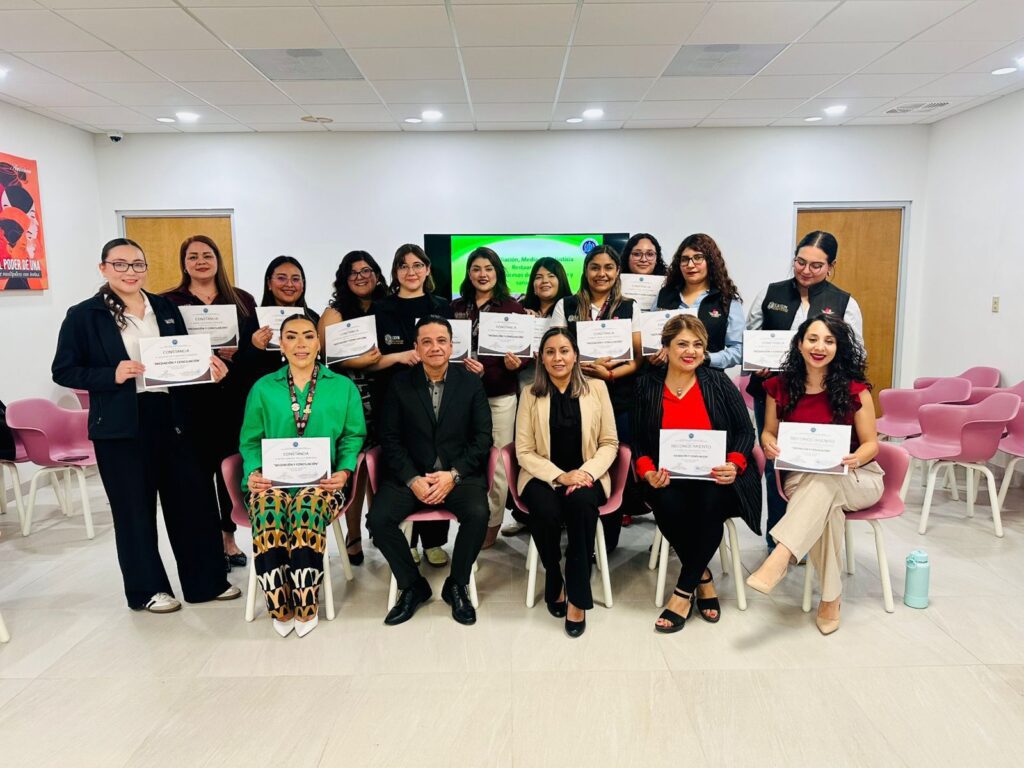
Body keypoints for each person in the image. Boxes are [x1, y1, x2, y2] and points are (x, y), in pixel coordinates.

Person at [51, 238, 241, 613]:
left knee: (192, 502)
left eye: (138, 264)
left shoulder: (164, 307)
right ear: (103, 268)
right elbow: (64, 370)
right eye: (120, 264)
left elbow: (183, 358)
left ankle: (206, 582)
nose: (130, 272)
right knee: (134, 511)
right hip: (121, 426)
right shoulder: (84, 315)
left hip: (173, 418)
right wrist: (111, 373)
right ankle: (149, 590)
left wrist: (210, 369)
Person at [747, 315, 882, 635]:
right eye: (813, 339)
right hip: (801, 477)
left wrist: (855, 457)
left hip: (857, 476)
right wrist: (768, 444)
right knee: (825, 504)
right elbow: (768, 432)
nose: (819, 347)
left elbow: (872, 445)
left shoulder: (855, 390)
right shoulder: (778, 387)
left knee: (826, 481)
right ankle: (830, 599)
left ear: (839, 348)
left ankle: (781, 555)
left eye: (829, 341)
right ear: (799, 344)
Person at [632, 315, 762, 632]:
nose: (690, 351)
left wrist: (734, 464)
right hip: (667, 476)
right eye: (682, 344)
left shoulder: (718, 382)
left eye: (697, 345)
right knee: (667, 502)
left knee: (710, 505)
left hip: (717, 477)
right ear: (666, 347)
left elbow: (745, 432)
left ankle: (681, 593)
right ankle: (702, 577)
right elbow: (637, 440)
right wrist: (647, 472)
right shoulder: (647, 384)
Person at [239, 314, 366, 638]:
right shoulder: (263, 388)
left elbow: (353, 436)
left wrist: (344, 471)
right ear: (281, 345)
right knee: (269, 509)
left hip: (324, 483)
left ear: (318, 343)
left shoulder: (342, 386)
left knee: (306, 509)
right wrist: (253, 472)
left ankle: (306, 603)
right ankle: (280, 603)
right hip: (271, 482)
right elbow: (250, 441)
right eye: (292, 336)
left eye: (308, 336)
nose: (301, 344)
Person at [367, 316, 492, 627]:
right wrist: (412, 479)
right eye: (426, 342)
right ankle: (412, 585)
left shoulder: (470, 383)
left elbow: (482, 439)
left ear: (451, 346)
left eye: (441, 341)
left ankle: (457, 584)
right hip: (410, 476)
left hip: (457, 476)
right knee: (378, 520)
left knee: (478, 513)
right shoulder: (400, 384)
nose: (434, 347)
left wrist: (454, 475)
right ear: (416, 347)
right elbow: (389, 438)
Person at [746, 230, 864, 550]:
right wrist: (754, 363)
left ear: (831, 266)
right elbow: (750, 340)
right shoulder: (770, 293)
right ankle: (777, 540)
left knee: (815, 466)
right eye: (800, 262)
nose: (805, 270)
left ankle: (809, 540)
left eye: (816, 265)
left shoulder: (844, 302)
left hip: (820, 396)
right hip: (773, 393)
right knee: (776, 465)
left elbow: (856, 354)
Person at [515, 327, 618, 638]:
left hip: (587, 474)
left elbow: (609, 442)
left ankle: (578, 595)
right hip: (542, 475)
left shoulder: (597, 388)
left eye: (564, 351)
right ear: (541, 359)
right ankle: (553, 575)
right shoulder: (529, 394)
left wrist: (586, 473)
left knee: (582, 506)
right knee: (545, 511)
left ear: (576, 356)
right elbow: (523, 451)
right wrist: (559, 476)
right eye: (550, 352)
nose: (557, 358)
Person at [163, 234, 257, 571]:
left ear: (218, 260)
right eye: (193, 257)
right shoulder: (168, 301)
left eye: (207, 255)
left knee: (228, 471)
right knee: (197, 472)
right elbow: (164, 347)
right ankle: (208, 543)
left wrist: (238, 353)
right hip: (191, 399)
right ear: (184, 263)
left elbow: (256, 351)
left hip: (233, 397)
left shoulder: (241, 299)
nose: (201, 262)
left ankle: (229, 538)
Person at [551, 245, 641, 549]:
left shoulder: (629, 306)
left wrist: (610, 375)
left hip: (619, 397)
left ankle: (610, 532)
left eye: (608, 267)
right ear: (585, 270)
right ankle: (575, 524)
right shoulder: (567, 304)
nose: (601, 274)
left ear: (617, 272)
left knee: (614, 463)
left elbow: (637, 359)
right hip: (574, 395)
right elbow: (555, 349)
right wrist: (582, 366)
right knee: (576, 457)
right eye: (595, 267)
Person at [371, 244, 454, 567]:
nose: (411, 272)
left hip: (436, 395)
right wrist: (400, 357)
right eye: (403, 266)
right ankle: (407, 540)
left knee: (435, 459)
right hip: (394, 396)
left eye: (418, 265)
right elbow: (371, 361)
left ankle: (434, 540)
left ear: (428, 269)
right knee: (403, 466)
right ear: (395, 272)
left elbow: (452, 350)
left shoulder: (442, 306)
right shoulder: (380, 309)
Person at [451, 247, 527, 549]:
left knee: (497, 465)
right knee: (463, 461)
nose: (482, 274)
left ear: (498, 272)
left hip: (498, 396)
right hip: (459, 399)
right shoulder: (456, 307)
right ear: (468, 273)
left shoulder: (512, 308)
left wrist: (515, 363)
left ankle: (492, 523)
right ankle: (469, 519)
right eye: (476, 269)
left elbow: (524, 356)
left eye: (489, 269)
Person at [317, 250, 388, 567]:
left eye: (366, 270)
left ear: (377, 275)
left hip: (386, 392)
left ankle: (377, 527)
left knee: (380, 464)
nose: (361, 277)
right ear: (344, 279)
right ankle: (354, 534)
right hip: (350, 397)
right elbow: (325, 357)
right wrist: (362, 361)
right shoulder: (335, 313)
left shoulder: (387, 306)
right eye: (353, 272)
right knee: (356, 468)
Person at [503, 256, 573, 537]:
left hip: (561, 387)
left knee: (558, 443)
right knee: (527, 447)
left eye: (551, 276)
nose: (544, 281)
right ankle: (523, 513)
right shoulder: (519, 309)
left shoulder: (570, 307)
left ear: (561, 279)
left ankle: (562, 509)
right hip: (527, 385)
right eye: (539, 276)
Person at [654, 233, 744, 370]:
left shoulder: (726, 300)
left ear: (711, 262)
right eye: (685, 259)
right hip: (667, 375)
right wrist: (653, 355)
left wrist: (707, 358)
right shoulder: (664, 295)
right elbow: (651, 338)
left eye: (698, 258)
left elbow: (738, 350)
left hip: (708, 376)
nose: (690, 265)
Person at [235, 256, 321, 400]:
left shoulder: (313, 318)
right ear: (269, 283)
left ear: (303, 285)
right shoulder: (253, 321)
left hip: (309, 395)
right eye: (281, 278)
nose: (289, 284)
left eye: (295, 279)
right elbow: (240, 370)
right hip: (268, 397)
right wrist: (255, 348)